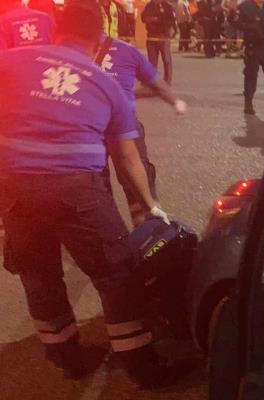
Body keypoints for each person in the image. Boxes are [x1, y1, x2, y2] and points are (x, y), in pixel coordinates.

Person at [0, 0, 175, 387]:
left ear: (55, 32)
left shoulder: (10, 62)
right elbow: (128, 157)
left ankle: (65, 357)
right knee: (116, 272)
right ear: (98, 42)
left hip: (13, 188)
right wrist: (151, 205)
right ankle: (141, 365)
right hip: (77, 188)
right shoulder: (106, 84)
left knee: (38, 273)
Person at [94, 33, 188, 224]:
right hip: (125, 125)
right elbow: (157, 84)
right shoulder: (127, 50)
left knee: (98, 185)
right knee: (136, 180)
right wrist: (175, 101)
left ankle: (110, 229)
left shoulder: (72, 55)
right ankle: (150, 229)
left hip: (92, 127)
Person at [141, 0, 176, 84]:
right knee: (152, 61)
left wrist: (158, 20)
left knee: (166, 60)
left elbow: (171, 20)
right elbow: (143, 17)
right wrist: (148, 19)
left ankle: (167, 80)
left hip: (163, 36)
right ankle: (153, 80)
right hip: (151, 36)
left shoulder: (167, 6)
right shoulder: (149, 6)